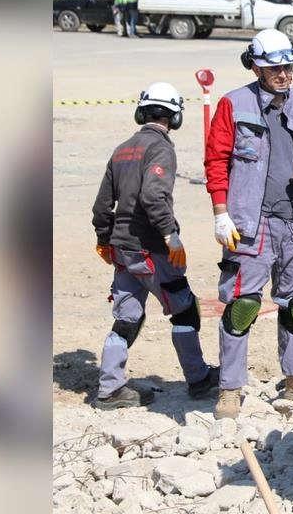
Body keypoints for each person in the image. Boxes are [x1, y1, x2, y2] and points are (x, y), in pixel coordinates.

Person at [205, 29, 293, 420]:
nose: (283, 74)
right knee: (242, 305)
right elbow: (216, 161)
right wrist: (220, 213)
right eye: (275, 67)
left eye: (288, 66)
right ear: (256, 66)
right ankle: (229, 389)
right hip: (250, 222)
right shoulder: (233, 104)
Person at [91, 83, 218, 409]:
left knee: (127, 318)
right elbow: (153, 195)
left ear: (141, 112)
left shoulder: (122, 149)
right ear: (175, 116)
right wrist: (170, 235)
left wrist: (104, 239)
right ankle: (199, 378)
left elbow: (102, 205)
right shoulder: (161, 150)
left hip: (123, 249)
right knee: (184, 309)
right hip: (152, 248)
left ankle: (110, 388)